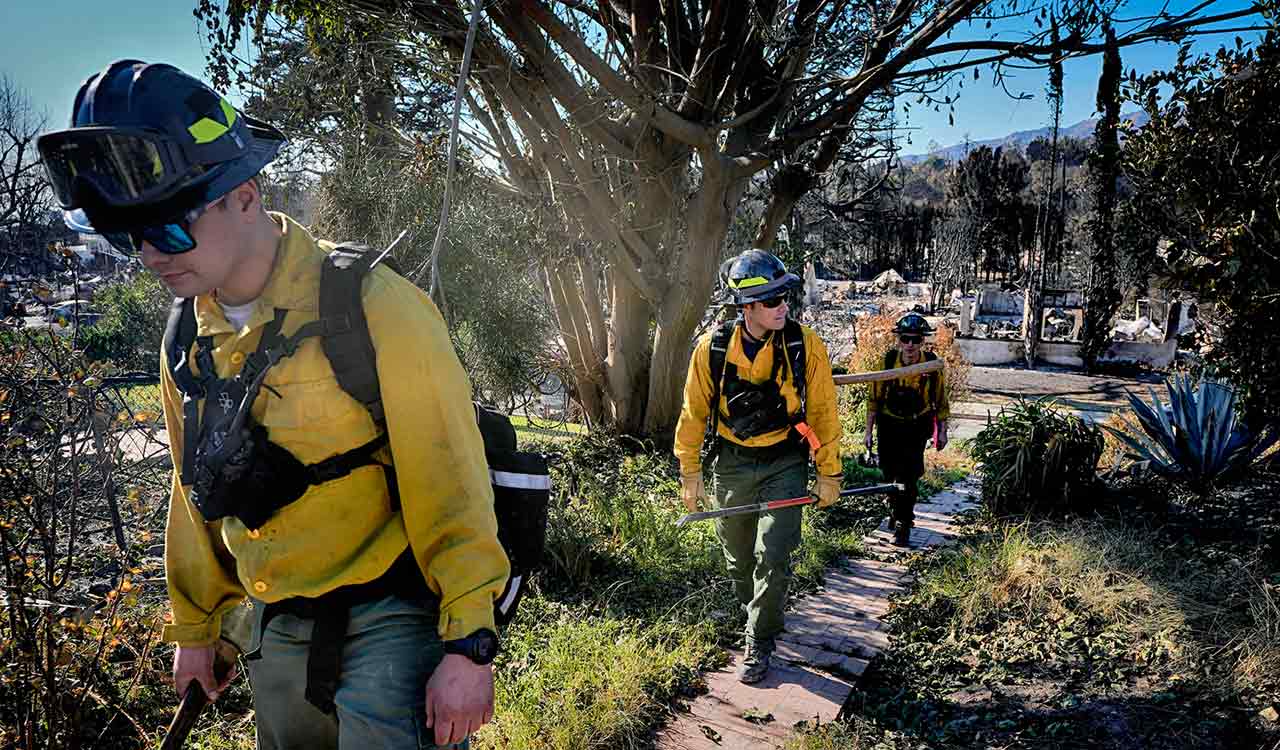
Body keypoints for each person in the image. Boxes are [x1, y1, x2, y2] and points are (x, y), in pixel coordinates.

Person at [37, 60, 508, 749]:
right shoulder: (185, 340)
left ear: (246, 195)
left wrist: (469, 645)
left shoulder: (375, 309)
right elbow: (194, 489)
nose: (149, 256)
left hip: (392, 611)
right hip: (275, 624)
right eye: (125, 236)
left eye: (168, 229)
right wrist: (198, 628)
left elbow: (454, 484)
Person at [673, 249, 842, 684]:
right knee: (738, 557)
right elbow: (693, 413)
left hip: (785, 459)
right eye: (771, 301)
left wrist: (829, 471)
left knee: (775, 554)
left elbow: (823, 411)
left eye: (784, 297)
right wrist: (689, 472)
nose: (782, 306)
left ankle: (758, 642)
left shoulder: (805, 346)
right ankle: (758, 613)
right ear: (747, 308)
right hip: (732, 461)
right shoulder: (711, 350)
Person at [864, 312, 950, 547]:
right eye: (905, 339)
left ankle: (904, 523)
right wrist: (868, 432)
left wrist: (942, 431)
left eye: (915, 339)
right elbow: (873, 399)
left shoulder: (932, 365)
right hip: (889, 424)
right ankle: (895, 509)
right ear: (898, 340)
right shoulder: (888, 362)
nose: (910, 345)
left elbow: (941, 401)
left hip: (916, 425)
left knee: (908, 475)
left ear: (923, 340)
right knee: (889, 472)